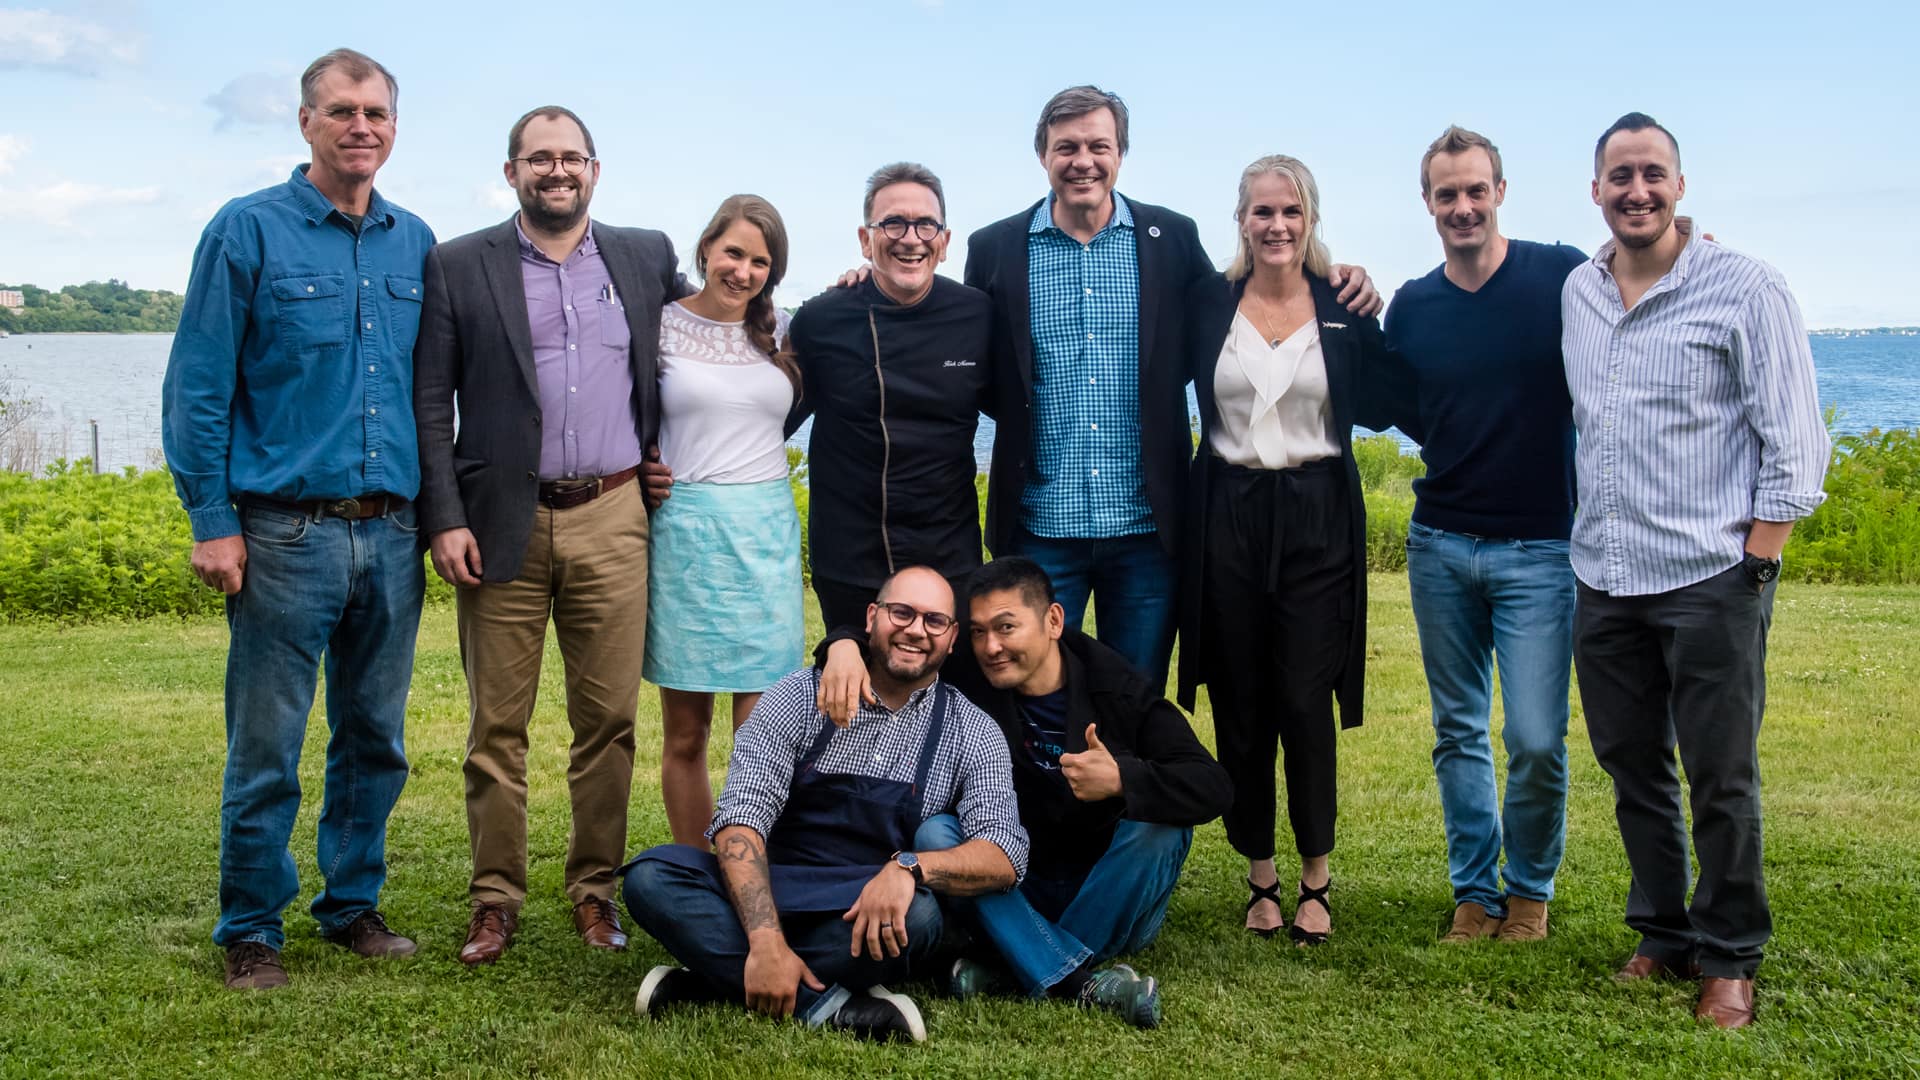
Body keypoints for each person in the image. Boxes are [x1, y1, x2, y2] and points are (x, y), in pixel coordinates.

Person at [161, 48, 434, 990]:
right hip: (283, 535)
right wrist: (211, 517)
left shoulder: (415, 242)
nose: (363, 126)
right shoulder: (247, 232)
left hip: (394, 534)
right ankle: (250, 929)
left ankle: (350, 907)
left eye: (378, 113)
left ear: (395, 127)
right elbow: (198, 385)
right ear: (307, 122)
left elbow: (433, 391)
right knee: (268, 746)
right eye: (344, 111)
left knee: (374, 737)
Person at [964, 86, 1382, 689]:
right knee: (1032, 698)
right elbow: (969, 351)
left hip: (1146, 532)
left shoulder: (1172, 240)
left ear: (1121, 154)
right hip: (1039, 528)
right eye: (1067, 147)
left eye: (1098, 146)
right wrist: (867, 276)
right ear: (1043, 156)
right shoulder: (995, 248)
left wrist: (1332, 275)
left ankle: (1129, 788)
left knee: (1134, 702)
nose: (1083, 160)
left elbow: (1242, 303)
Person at [1563, 113, 1829, 1029]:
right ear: (1595, 189)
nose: (1637, 190)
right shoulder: (1579, 292)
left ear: (1680, 184)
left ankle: (1730, 957)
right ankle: (1664, 934)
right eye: (1620, 176)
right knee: (1633, 769)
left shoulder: (1746, 287)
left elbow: (1794, 445)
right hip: (1603, 576)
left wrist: (1756, 567)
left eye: (1653, 174)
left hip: (1711, 576)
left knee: (1722, 776)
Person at [413, 105, 687, 965]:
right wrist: (445, 516)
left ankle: (595, 894)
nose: (556, 170)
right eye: (539, 159)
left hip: (614, 514)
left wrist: (827, 302)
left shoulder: (645, 255)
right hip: (501, 522)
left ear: (595, 171)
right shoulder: (459, 264)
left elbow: (710, 342)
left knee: (607, 722)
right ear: (512, 173)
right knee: (498, 726)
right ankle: (495, 901)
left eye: (571, 157)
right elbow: (430, 403)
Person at [621, 567, 1026, 1044]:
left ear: (952, 637)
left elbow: (1005, 854)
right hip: (771, 887)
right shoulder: (795, 696)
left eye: (934, 621)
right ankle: (829, 1006)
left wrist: (909, 869)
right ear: (872, 618)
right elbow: (739, 822)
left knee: (920, 918)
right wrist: (766, 938)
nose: (916, 630)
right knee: (651, 876)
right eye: (902, 612)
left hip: (858, 908)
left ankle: (712, 979)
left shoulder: (972, 730)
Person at [1176, 155, 1412, 944]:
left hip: (1317, 517)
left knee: (1305, 701)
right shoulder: (1207, 303)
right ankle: (1261, 879)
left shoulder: (1342, 303)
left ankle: (1317, 878)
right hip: (1228, 512)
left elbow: (1385, 400)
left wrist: (1377, 309)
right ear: (1240, 219)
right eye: (1261, 212)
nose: (1276, 226)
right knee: (1241, 703)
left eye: (1291, 212)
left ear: (1309, 218)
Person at [851, 557, 1229, 1027]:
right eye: (978, 631)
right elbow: (899, 646)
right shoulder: (975, 673)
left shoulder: (1116, 687)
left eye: (1007, 627)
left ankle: (1015, 966)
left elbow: (1213, 786)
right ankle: (1076, 979)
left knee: (1159, 829)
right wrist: (841, 649)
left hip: (1104, 890)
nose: (991, 646)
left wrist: (1121, 780)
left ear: (1053, 620)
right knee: (937, 832)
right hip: (1014, 884)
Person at [1382, 126, 1589, 944]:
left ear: (1500, 191)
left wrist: (1693, 254)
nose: (1462, 206)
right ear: (1428, 203)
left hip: (1542, 547)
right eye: (1446, 194)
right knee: (1458, 729)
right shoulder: (1416, 302)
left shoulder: (1563, 274)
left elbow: (1640, 300)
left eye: (1475, 190)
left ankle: (1529, 890)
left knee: (1536, 738)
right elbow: (1401, 397)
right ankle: (1475, 892)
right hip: (1440, 545)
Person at [643, 195, 805, 847]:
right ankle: (694, 873)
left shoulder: (786, 330)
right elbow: (618, 408)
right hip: (686, 534)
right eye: (734, 252)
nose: (743, 270)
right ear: (707, 247)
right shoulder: (654, 326)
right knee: (685, 734)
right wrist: (640, 465)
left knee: (762, 735)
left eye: (761, 261)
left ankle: (752, 864)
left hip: (765, 537)